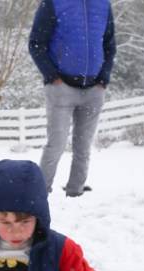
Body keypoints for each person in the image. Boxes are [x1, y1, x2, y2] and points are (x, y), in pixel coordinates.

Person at [28, 0, 117, 198]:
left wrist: (103, 79)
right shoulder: (53, 3)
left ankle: (76, 194)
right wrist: (53, 77)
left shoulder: (103, 4)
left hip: (94, 89)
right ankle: (40, 195)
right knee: (56, 145)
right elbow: (36, 43)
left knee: (83, 148)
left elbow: (109, 46)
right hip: (61, 89)